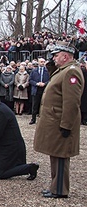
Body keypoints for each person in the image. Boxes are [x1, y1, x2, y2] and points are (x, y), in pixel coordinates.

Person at [34, 41, 84, 198]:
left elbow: (71, 102)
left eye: (56, 55)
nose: (53, 58)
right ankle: (55, 186)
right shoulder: (63, 70)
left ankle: (60, 190)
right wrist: (51, 64)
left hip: (61, 121)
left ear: (65, 56)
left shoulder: (71, 72)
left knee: (61, 155)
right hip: (55, 120)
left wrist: (66, 125)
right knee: (55, 153)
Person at [0, 94, 39, 180]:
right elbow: (0, 128)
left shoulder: (0, 111)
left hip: (11, 147)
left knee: (1, 174)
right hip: (4, 143)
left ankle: (28, 168)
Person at [28, 57, 49, 124]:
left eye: (43, 62)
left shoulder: (47, 71)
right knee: (35, 105)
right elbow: (30, 80)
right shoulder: (34, 71)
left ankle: (43, 119)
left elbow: (50, 80)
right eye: (41, 62)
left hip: (44, 89)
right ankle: (33, 119)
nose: (42, 63)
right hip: (36, 89)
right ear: (38, 62)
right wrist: (36, 83)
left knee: (44, 105)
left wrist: (44, 84)